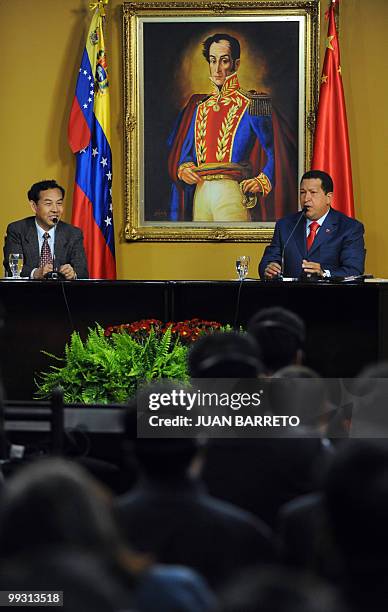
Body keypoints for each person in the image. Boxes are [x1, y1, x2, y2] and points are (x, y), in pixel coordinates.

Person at [168, 33, 275, 222]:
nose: (217, 69)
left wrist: (262, 180)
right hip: (201, 192)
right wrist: (184, 168)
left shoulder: (252, 104)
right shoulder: (199, 107)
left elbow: (275, 153)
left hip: (231, 191)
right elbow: (187, 155)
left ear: (236, 64)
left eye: (224, 61)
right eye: (212, 60)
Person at [259, 170, 365, 279]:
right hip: (289, 294)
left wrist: (324, 273)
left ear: (328, 197)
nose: (306, 199)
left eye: (313, 192)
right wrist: (269, 268)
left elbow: (354, 270)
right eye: (302, 192)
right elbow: (267, 262)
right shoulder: (285, 225)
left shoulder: (349, 228)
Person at [3, 180, 88, 279]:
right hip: (27, 292)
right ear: (34, 206)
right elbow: (12, 267)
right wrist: (35, 273)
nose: (55, 209)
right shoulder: (17, 230)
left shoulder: (73, 233)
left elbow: (83, 271)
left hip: (62, 293)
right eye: (48, 204)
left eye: (59, 203)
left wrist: (73, 273)